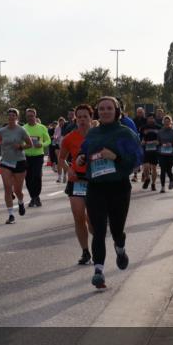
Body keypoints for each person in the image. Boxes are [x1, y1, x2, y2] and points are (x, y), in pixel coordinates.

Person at [75, 96, 141, 289]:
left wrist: (116, 156)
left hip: (119, 187)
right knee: (98, 231)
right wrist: (80, 158)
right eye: (101, 109)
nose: (105, 111)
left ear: (116, 111)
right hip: (96, 187)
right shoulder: (93, 133)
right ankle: (98, 271)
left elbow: (136, 160)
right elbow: (84, 151)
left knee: (117, 230)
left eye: (109, 108)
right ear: (98, 112)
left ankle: (120, 248)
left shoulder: (126, 133)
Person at [58, 104, 93, 265]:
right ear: (75, 119)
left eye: (85, 116)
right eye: (79, 117)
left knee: (92, 222)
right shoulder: (69, 137)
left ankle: (97, 242)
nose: (82, 120)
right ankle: (85, 251)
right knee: (78, 217)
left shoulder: (97, 136)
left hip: (95, 179)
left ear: (91, 118)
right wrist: (68, 169)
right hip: (77, 180)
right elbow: (61, 158)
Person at [0, 109, 29, 224]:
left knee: (17, 190)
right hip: (6, 162)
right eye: (9, 115)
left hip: (19, 162)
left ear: (17, 118)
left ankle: (20, 202)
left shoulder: (21, 130)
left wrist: (21, 147)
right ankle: (11, 215)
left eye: (13, 115)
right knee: (7, 188)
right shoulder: (2, 131)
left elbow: (30, 144)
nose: (11, 117)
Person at [22, 108, 50, 207]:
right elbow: (20, 142)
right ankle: (33, 197)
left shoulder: (42, 127)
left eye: (31, 116)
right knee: (28, 178)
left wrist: (41, 144)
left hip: (38, 156)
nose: (30, 118)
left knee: (37, 177)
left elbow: (48, 141)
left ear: (35, 116)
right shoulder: (23, 128)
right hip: (26, 156)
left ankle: (35, 197)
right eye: (28, 116)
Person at [139, 114, 160, 191]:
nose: (151, 120)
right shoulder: (143, 128)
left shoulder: (159, 127)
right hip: (146, 149)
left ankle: (153, 184)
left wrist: (158, 142)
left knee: (154, 168)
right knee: (146, 166)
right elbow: (140, 137)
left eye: (152, 118)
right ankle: (147, 178)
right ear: (147, 119)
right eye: (149, 118)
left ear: (154, 119)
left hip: (154, 150)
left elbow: (160, 139)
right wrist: (142, 141)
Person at [157, 115, 173, 193]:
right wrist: (160, 144)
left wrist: (171, 144)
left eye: (168, 122)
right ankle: (162, 187)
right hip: (162, 152)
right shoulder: (160, 131)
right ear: (163, 122)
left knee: (168, 169)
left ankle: (171, 180)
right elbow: (158, 142)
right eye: (165, 122)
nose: (166, 123)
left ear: (170, 122)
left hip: (171, 153)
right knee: (162, 170)